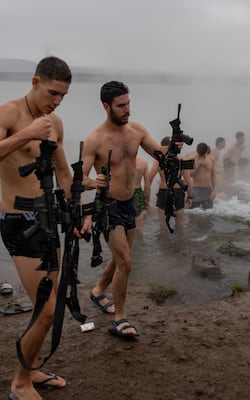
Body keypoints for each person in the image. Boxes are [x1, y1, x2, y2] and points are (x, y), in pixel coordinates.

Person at [0, 56, 80, 399]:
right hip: (19, 222)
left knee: (47, 305)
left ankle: (32, 369)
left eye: (62, 95)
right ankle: (20, 383)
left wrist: (77, 211)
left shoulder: (55, 123)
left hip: (48, 221)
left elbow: (63, 173)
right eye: (52, 92)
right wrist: (25, 135)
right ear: (35, 83)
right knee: (47, 309)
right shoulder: (8, 113)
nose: (56, 101)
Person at [81, 81, 178, 339]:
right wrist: (94, 181)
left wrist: (175, 147)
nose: (127, 110)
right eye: (121, 106)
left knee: (120, 257)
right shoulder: (95, 140)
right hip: (108, 206)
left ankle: (98, 289)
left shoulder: (136, 131)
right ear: (106, 106)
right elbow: (77, 179)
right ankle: (120, 318)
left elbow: (161, 154)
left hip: (129, 203)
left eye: (128, 103)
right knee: (125, 261)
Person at [148, 137, 192, 230]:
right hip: (178, 191)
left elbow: (149, 178)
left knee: (162, 225)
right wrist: (189, 196)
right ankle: (179, 243)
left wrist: (147, 198)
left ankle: (163, 243)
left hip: (164, 191)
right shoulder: (183, 158)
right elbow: (188, 181)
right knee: (180, 224)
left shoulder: (158, 160)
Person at [189, 142, 216, 209]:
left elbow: (213, 175)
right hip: (196, 189)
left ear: (206, 151)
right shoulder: (192, 160)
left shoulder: (211, 160)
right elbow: (190, 175)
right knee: (193, 212)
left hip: (207, 189)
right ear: (197, 151)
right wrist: (198, 166)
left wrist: (214, 189)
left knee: (209, 213)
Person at [133, 156, 151, 230]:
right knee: (138, 228)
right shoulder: (143, 162)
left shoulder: (118, 160)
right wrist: (147, 201)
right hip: (137, 194)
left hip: (121, 193)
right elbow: (147, 185)